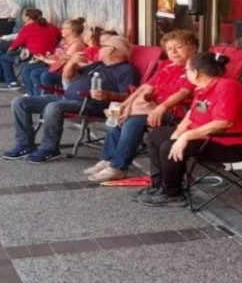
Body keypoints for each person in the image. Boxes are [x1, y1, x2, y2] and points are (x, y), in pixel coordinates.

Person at [137, 53, 242, 207]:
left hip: (235, 144)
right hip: (211, 137)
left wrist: (185, 137)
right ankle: (159, 185)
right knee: (156, 136)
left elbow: (224, 123)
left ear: (196, 72)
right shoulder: (203, 87)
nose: (185, 73)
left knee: (168, 147)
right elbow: (191, 115)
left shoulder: (227, 87)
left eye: (187, 70)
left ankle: (172, 194)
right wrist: (178, 133)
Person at [84, 30, 199, 182]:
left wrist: (161, 108)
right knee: (115, 117)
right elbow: (145, 88)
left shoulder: (194, 68)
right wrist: (124, 105)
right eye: (169, 49)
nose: (173, 52)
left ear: (193, 48)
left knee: (133, 122)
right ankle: (108, 158)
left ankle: (118, 168)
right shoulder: (167, 65)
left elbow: (183, 93)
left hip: (176, 112)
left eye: (178, 47)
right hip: (150, 106)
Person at [2, 35, 138, 164]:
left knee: (54, 107)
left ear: (111, 50)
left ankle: (49, 148)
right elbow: (69, 77)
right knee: (20, 102)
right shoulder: (99, 65)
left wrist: (109, 95)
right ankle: (24, 144)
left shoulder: (125, 70)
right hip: (66, 97)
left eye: (103, 46)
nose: (99, 48)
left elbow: (128, 96)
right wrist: (72, 62)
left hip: (90, 104)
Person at [0, 8, 60, 91]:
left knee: (3, 57)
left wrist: (10, 50)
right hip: (50, 54)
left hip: (34, 56)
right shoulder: (50, 26)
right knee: (2, 50)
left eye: (23, 15)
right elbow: (58, 35)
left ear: (28, 18)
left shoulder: (28, 28)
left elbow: (16, 44)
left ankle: (12, 82)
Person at [25, 17, 87, 95]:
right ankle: (35, 96)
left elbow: (62, 63)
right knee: (32, 70)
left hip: (65, 72)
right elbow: (58, 55)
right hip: (56, 67)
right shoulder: (64, 41)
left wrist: (44, 59)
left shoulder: (76, 45)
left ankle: (45, 98)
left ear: (71, 30)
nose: (61, 30)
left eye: (63, 28)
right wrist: (48, 56)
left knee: (44, 75)